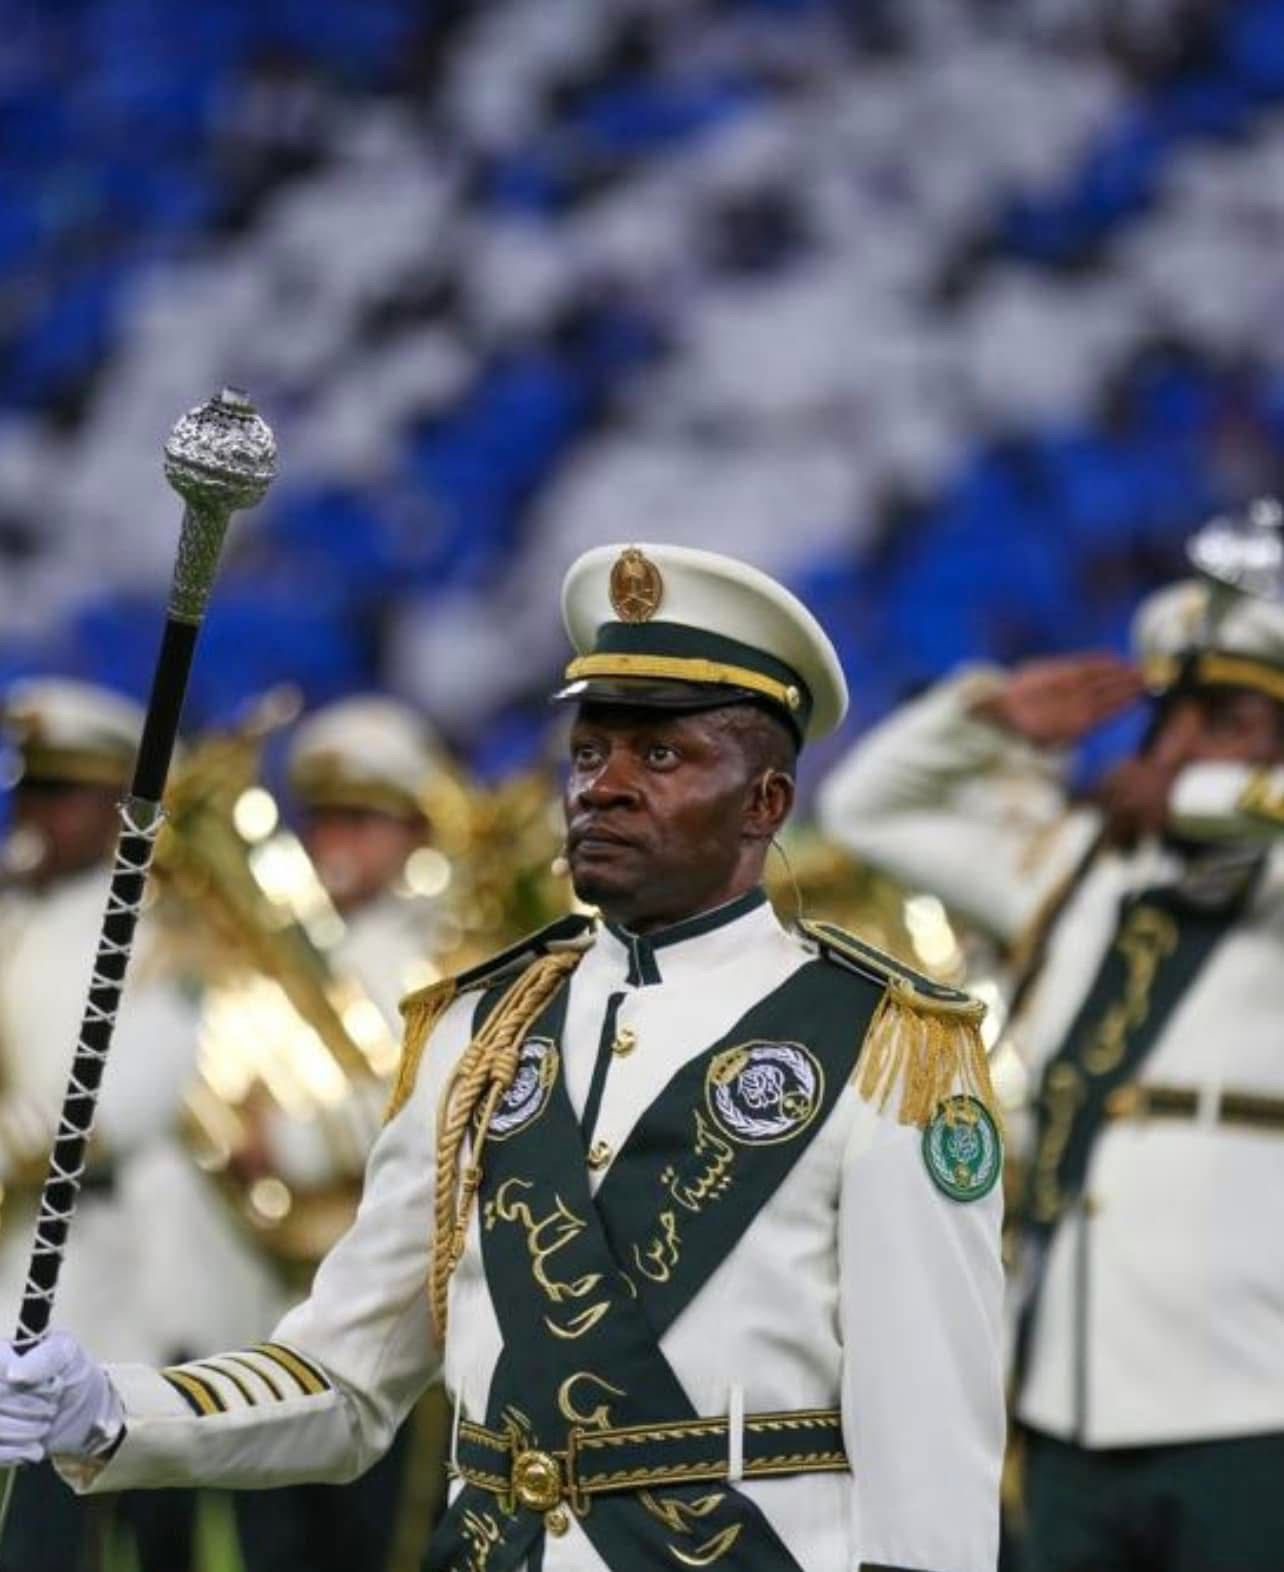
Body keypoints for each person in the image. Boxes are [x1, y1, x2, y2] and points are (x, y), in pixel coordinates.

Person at [0, 546, 1005, 1572]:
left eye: (661, 757)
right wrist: (109, 1409)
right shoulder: (472, 1036)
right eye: (589, 751)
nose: (604, 787)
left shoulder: (887, 1049)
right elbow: (342, 1382)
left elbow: (931, 1453)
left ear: (766, 802)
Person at [818, 566, 1284, 1572]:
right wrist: (986, 718)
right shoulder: (1081, 869)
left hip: (1253, 1393)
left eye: (1226, 720)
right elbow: (866, 806)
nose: (1180, 745)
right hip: (1071, 1391)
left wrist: (1198, 796)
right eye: (1171, 718)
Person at [233, 694, 457, 1572]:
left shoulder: (447, 951)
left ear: (414, 831)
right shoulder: (281, 946)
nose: (335, 842)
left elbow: (425, 1105)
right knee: (277, 1544)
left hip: (399, 1307)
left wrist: (292, 1145)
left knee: (382, 1541)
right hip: (279, 1292)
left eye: (363, 820)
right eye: (322, 818)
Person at [0, 679, 204, 1572]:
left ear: (120, 807)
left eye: (62, 794)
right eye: (30, 789)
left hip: (103, 1264)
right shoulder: (13, 910)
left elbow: (121, 1104)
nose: (36, 815)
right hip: (14, 1255)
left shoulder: (156, 927)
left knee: (78, 1530)